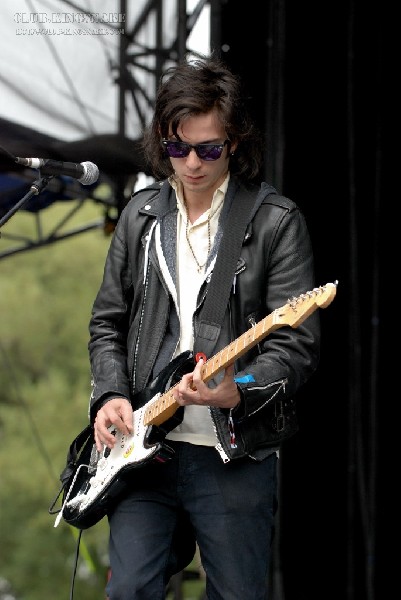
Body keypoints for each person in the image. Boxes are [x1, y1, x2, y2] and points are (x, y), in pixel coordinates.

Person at [88, 54, 320, 600]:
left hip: (232, 457)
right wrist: (111, 394)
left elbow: (297, 348)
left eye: (208, 149)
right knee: (128, 592)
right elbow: (107, 323)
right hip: (144, 450)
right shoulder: (141, 217)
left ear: (234, 143)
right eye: (178, 148)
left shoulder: (274, 222)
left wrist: (234, 389)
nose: (191, 163)